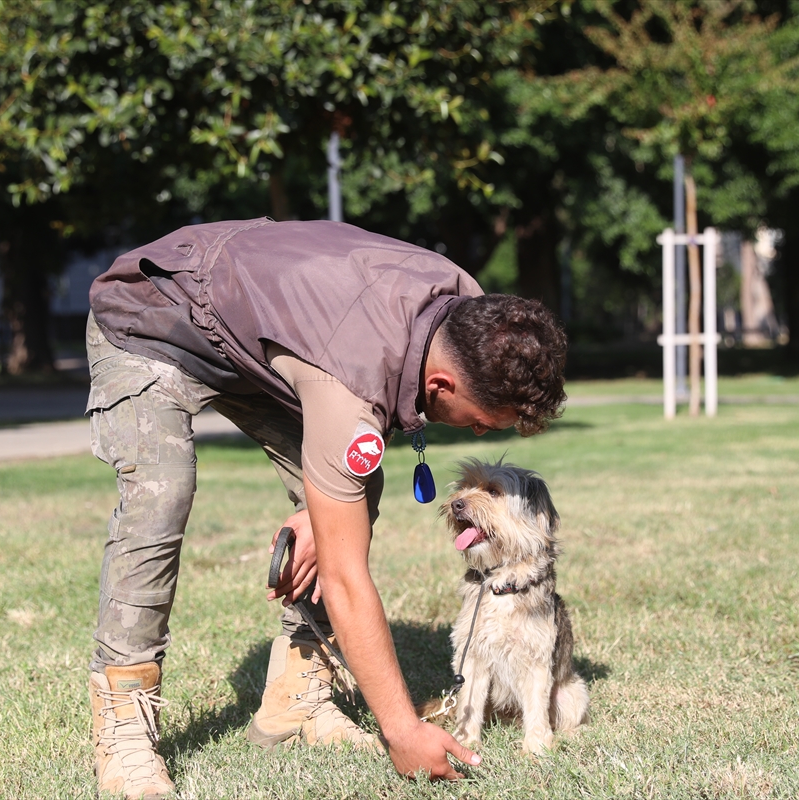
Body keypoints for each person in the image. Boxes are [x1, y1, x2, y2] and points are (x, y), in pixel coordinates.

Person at [83, 218, 567, 799]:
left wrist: (323, 511)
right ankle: (124, 724)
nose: (481, 435)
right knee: (162, 492)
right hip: (152, 317)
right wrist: (402, 728)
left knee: (351, 496)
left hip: (262, 337)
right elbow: (344, 576)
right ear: (440, 385)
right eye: (481, 422)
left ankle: (295, 701)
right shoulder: (351, 382)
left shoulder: (469, 310)